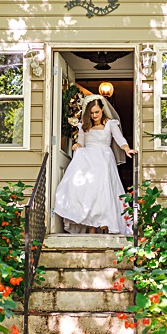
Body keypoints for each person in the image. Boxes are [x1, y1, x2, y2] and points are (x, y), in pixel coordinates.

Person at [53, 95, 137, 235]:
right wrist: (77, 145)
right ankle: (92, 225)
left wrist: (126, 148)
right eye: (91, 113)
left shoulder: (110, 124)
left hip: (104, 159)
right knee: (88, 193)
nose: (94, 115)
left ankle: (103, 222)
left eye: (97, 112)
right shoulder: (84, 126)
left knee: (103, 191)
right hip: (88, 160)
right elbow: (81, 142)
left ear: (102, 109)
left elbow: (119, 138)